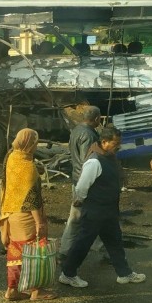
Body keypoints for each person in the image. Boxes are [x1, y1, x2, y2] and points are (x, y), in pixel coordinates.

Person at [59, 127, 146, 288]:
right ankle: (68, 274)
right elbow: (82, 187)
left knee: (115, 242)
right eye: (115, 143)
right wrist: (81, 201)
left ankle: (124, 273)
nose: (118, 146)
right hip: (95, 211)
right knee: (83, 244)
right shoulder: (94, 161)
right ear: (104, 142)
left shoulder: (109, 157)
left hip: (109, 211)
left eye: (119, 143)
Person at [0, 128, 57, 301]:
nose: (36, 145)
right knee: (34, 254)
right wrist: (40, 223)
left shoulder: (11, 158)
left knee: (15, 255)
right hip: (26, 218)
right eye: (35, 142)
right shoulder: (28, 168)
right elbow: (32, 200)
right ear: (30, 144)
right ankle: (37, 291)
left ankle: (12, 290)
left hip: (11, 213)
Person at [59, 105, 102, 261]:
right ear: (96, 119)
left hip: (76, 178)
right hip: (85, 181)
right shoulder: (89, 135)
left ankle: (95, 247)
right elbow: (88, 161)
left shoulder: (76, 130)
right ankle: (66, 250)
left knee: (81, 218)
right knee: (80, 218)